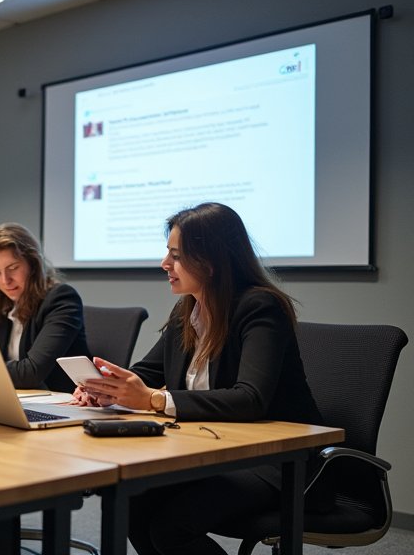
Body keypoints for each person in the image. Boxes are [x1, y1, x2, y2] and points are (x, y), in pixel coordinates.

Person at [73, 202, 323, 555]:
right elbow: (148, 372)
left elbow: (250, 398)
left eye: (175, 255)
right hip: (214, 448)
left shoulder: (260, 308)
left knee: (172, 525)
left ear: (209, 261)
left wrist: (153, 400)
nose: (164, 264)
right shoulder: (188, 307)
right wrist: (104, 386)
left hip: (275, 460)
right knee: (133, 503)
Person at [0, 223, 90, 392]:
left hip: (61, 404)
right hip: (16, 398)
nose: (5, 281)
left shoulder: (61, 300)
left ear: (33, 264)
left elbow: (31, 373)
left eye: (13, 268)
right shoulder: (1, 304)